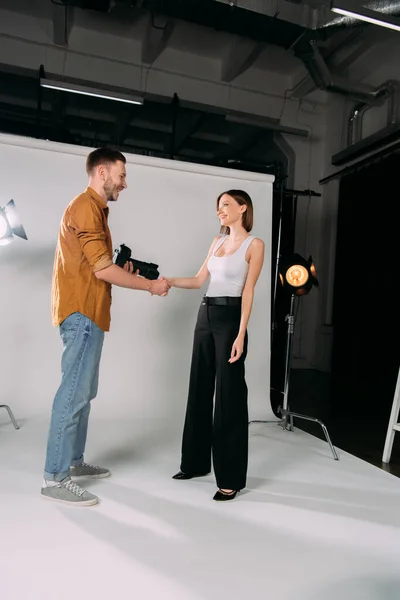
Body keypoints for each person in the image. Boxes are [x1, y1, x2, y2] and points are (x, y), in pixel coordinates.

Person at [41, 147, 170, 507]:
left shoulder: (96, 211)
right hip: (81, 313)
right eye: (122, 175)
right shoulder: (85, 207)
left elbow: (96, 266)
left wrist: (122, 272)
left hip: (91, 313)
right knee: (72, 394)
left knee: (84, 394)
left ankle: (74, 461)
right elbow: (100, 270)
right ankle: (55, 476)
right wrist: (149, 286)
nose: (124, 184)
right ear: (102, 172)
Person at [167, 189, 264, 501]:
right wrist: (166, 281)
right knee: (199, 388)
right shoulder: (217, 242)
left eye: (225, 205)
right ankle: (194, 464)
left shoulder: (254, 245)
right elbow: (198, 281)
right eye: (218, 206)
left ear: (242, 208)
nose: (220, 211)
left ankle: (231, 478)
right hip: (205, 314)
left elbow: (248, 290)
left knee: (229, 397)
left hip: (231, 317)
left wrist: (240, 332)